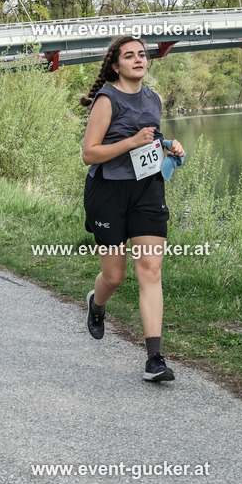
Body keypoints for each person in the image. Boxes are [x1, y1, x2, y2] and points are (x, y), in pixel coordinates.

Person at [80, 35, 185, 382]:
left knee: (151, 270)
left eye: (142, 55)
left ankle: (154, 359)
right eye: (130, 56)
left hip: (147, 190)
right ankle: (97, 303)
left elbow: (151, 140)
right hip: (108, 192)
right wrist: (131, 142)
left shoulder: (153, 97)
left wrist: (169, 148)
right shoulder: (106, 100)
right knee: (115, 277)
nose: (138, 60)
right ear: (115, 65)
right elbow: (89, 154)